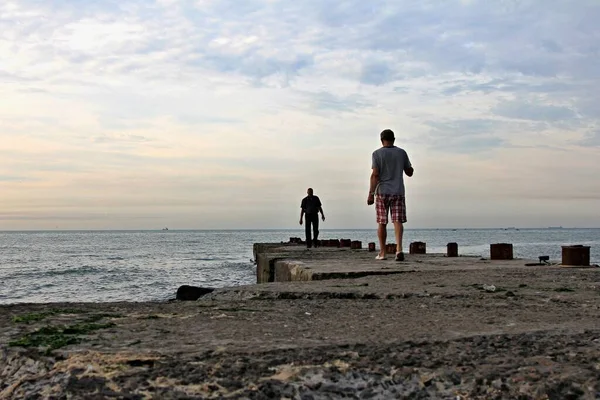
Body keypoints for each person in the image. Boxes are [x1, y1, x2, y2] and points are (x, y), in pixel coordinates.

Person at [367, 129, 414, 261]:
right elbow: (409, 172)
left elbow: (375, 175)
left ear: (382, 140)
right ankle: (399, 249)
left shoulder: (376, 154)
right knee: (397, 221)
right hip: (398, 191)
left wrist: (371, 194)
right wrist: (409, 168)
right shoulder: (401, 153)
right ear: (394, 139)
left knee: (382, 222)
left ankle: (383, 253)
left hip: (382, 192)